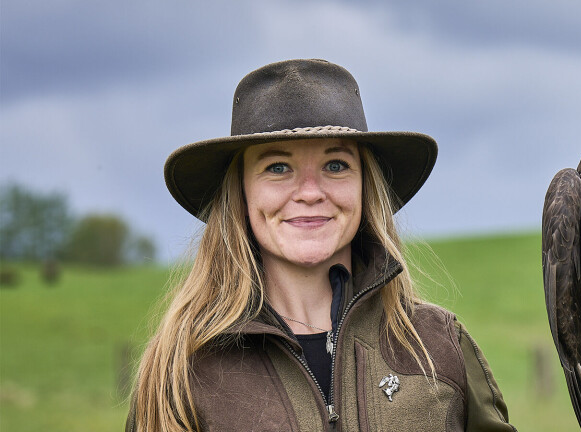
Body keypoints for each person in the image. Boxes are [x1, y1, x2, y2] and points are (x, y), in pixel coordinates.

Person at [127, 59, 514, 431]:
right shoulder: (183, 368)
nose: (310, 192)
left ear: (365, 186)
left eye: (336, 165)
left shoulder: (438, 347)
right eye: (277, 167)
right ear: (241, 193)